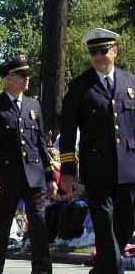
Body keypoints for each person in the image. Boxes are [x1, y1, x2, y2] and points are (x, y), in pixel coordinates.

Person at [59, 28, 135, 274]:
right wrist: (69, 171)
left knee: (125, 224)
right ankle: (114, 270)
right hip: (96, 170)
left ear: (115, 51)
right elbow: (68, 132)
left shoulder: (130, 81)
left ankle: (102, 269)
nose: (99, 57)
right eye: (93, 53)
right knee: (103, 226)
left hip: (127, 168)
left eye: (103, 51)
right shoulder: (80, 86)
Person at [0, 55, 56, 274]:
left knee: (39, 227)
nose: (26, 80)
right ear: (8, 79)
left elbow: (41, 144)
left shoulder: (34, 105)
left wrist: (50, 176)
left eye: (27, 76)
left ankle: (42, 271)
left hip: (34, 176)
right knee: (0, 229)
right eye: (21, 76)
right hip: (7, 177)